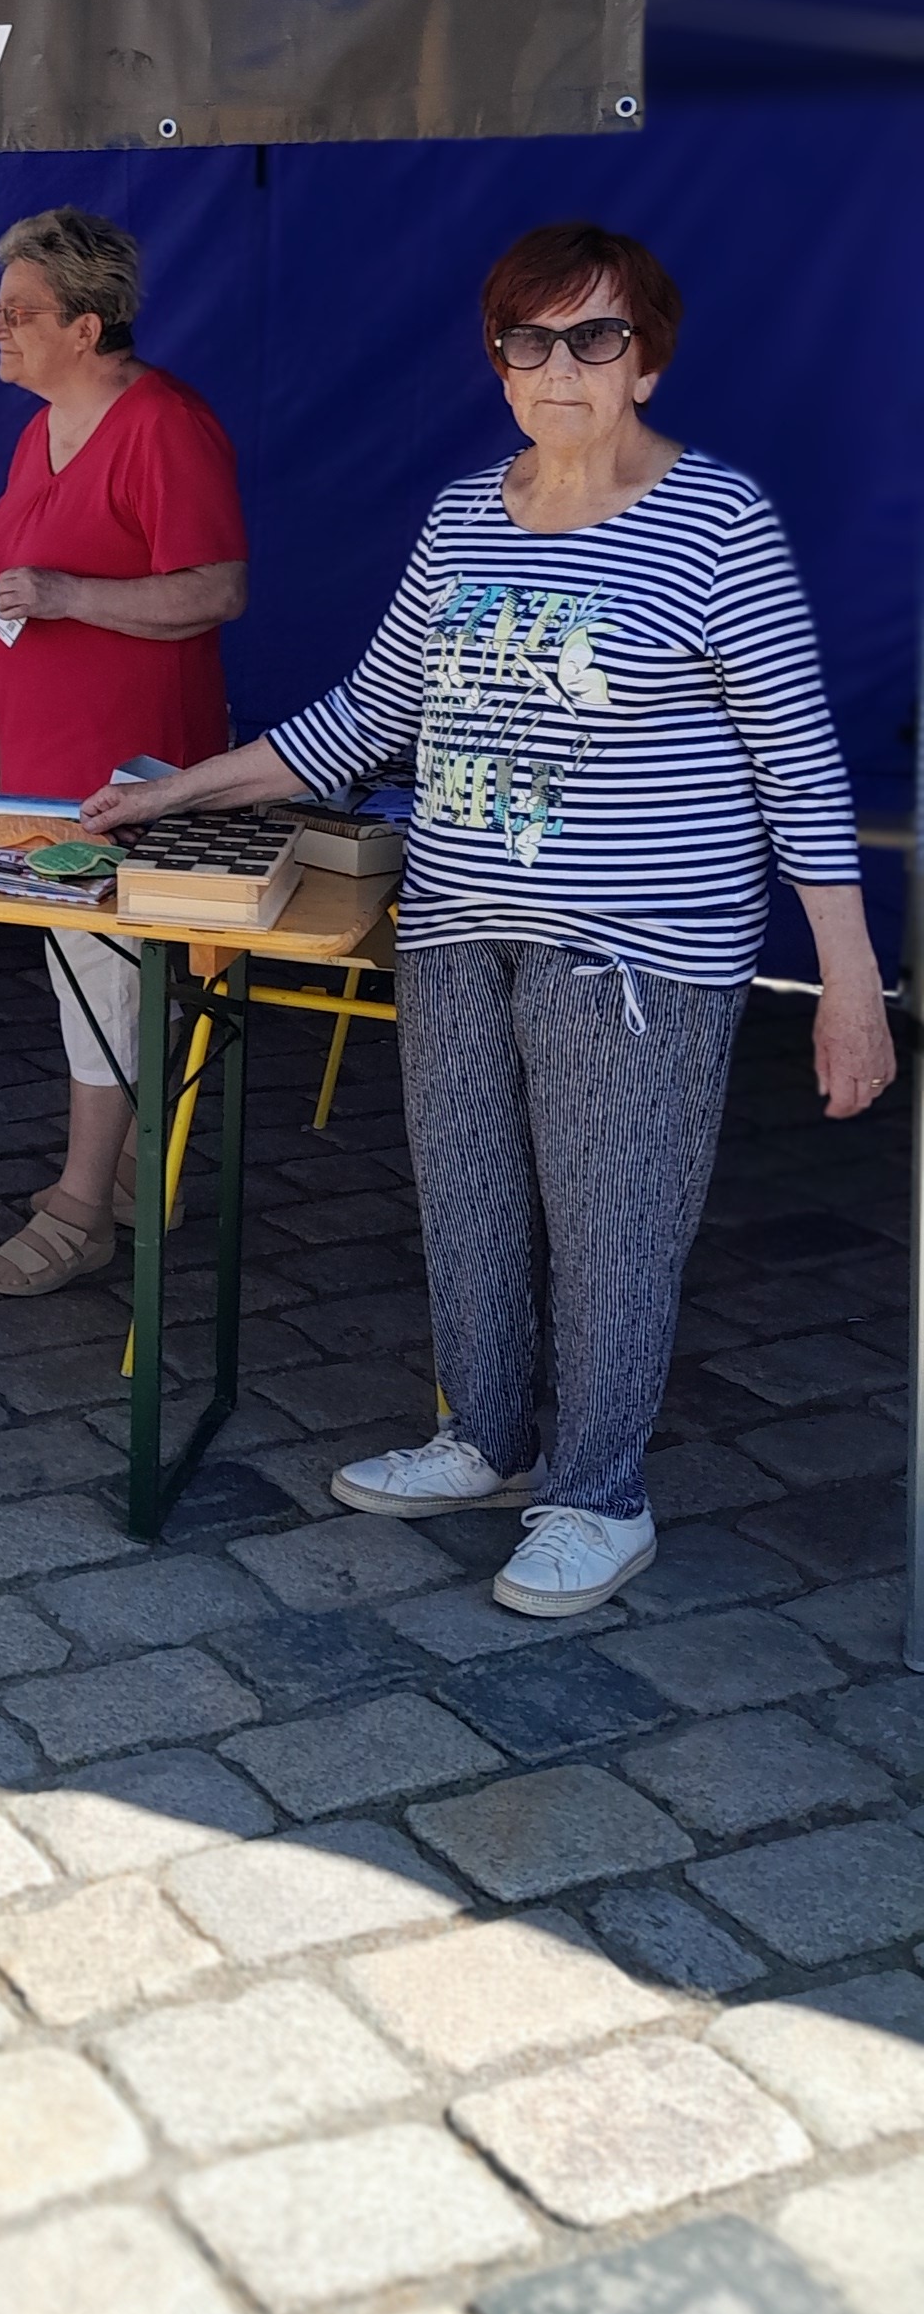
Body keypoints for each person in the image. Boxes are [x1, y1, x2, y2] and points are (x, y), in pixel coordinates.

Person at [83, 223, 894, 1616]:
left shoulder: (719, 523)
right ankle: (487, 1438)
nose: (561, 366)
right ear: (500, 364)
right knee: (467, 1202)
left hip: (636, 953)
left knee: (615, 1229)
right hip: (458, 926)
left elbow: (799, 766)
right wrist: (178, 791)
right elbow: (368, 716)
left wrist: (850, 983)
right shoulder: (466, 514)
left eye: (596, 337)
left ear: (648, 361)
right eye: (531, 340)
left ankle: (600, 1496)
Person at [0, 208, 248, 1297]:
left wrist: (73, 595)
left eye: (18, 312)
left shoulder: (163, 423)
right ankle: (132, 1175)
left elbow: (217, 590)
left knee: (107, 976)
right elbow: (15, 602)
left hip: (138, 765)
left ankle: (83, 1205)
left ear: (86, 326)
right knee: (92, 974)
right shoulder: (38, 430)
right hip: (44, 756)